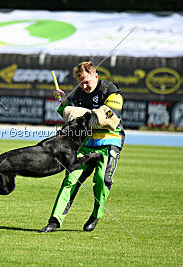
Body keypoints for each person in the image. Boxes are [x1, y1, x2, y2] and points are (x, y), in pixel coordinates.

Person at [39, 61, 125, 232]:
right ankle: (54, 222)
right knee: (70, 180)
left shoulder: (111, 91)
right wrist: (64, 103)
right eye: (81, 82)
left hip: (109, 142)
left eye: (87, 80)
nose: (84, 85)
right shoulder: (78, 94)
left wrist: (73, 112)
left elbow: (107, 120)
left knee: (101, 179)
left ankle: (96, 215)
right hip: (86, 145)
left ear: (95, 75)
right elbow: (71, 119)